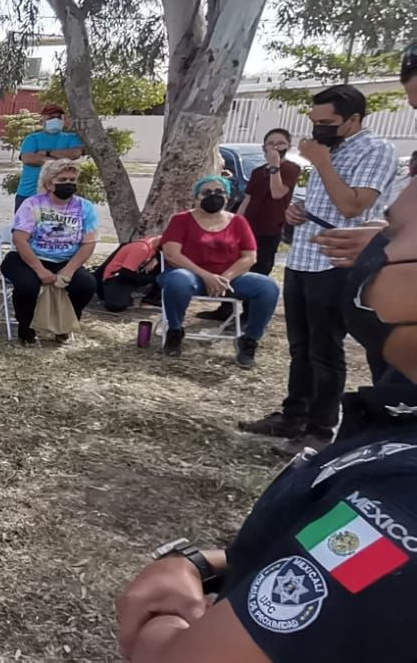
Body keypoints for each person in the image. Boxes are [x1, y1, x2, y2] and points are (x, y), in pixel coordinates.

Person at [112, 193, 417, 662]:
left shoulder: (400, 504)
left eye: (388, 233)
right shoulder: (399, 425)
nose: (365, 251)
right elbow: (342, 554)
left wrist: (162, 621)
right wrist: (206, 564)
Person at [242, 85, 401, 455]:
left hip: (335, 262)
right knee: (301, 346)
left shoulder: (375, 150)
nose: (318, 129)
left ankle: (319, 429)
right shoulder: (331, 148)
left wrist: (323, 162)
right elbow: (325, 200)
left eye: (327, 122)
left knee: (325, 350)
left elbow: (353, 206)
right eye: (314, 122)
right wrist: (297, 211)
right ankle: (292, 414)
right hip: (302, 257)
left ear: (354, 119)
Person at [158, 176, 280, 367]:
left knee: (268, 287)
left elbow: (250, 257)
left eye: (219, 192)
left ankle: (249, 341)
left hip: (229, 279)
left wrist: (224, 278)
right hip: (191, 276)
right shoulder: (181, 220)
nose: (213, 196)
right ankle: (174, 331)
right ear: (196, 197)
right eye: (207, 192)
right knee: (177, 280)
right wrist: (207, 277)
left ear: (228, 196)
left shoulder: (238, 222)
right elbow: (172, 254)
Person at [0, 159, 100, 345]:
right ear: (49, 183)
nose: (68, 184)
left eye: (72, 179)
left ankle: (64, 327)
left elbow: (89, 243)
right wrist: (40, 270)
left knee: (86, 285)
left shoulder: (85, 207)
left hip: (65, 259)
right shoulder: (32, 204)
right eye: (62, 180)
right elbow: (20, 240)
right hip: (28, 257)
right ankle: (26, 328)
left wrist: (69, 271)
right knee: (27, 285)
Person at [235, 128, 302, 278]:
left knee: (260, 269)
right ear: (264, 148)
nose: (275, 147)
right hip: (249, 225)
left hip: (270, 228)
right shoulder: (257, 172)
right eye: (271, 144)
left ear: (288, 147)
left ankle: (252, 300)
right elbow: (248, 198)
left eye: (280, 144)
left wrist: (275, 166)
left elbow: (277, 192)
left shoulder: (291, 168)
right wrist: (236, 222)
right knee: (239, 266)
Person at [16, 104, 85, 211]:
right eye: (51, 118)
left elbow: (75, 154)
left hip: (60, 197)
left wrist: (47, 153)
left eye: (58, 118)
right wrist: (61, 161)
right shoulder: (32, 138)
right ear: (42, 120)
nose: (55, 120)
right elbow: (28, 159)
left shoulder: (71, 138)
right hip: (28, 193)